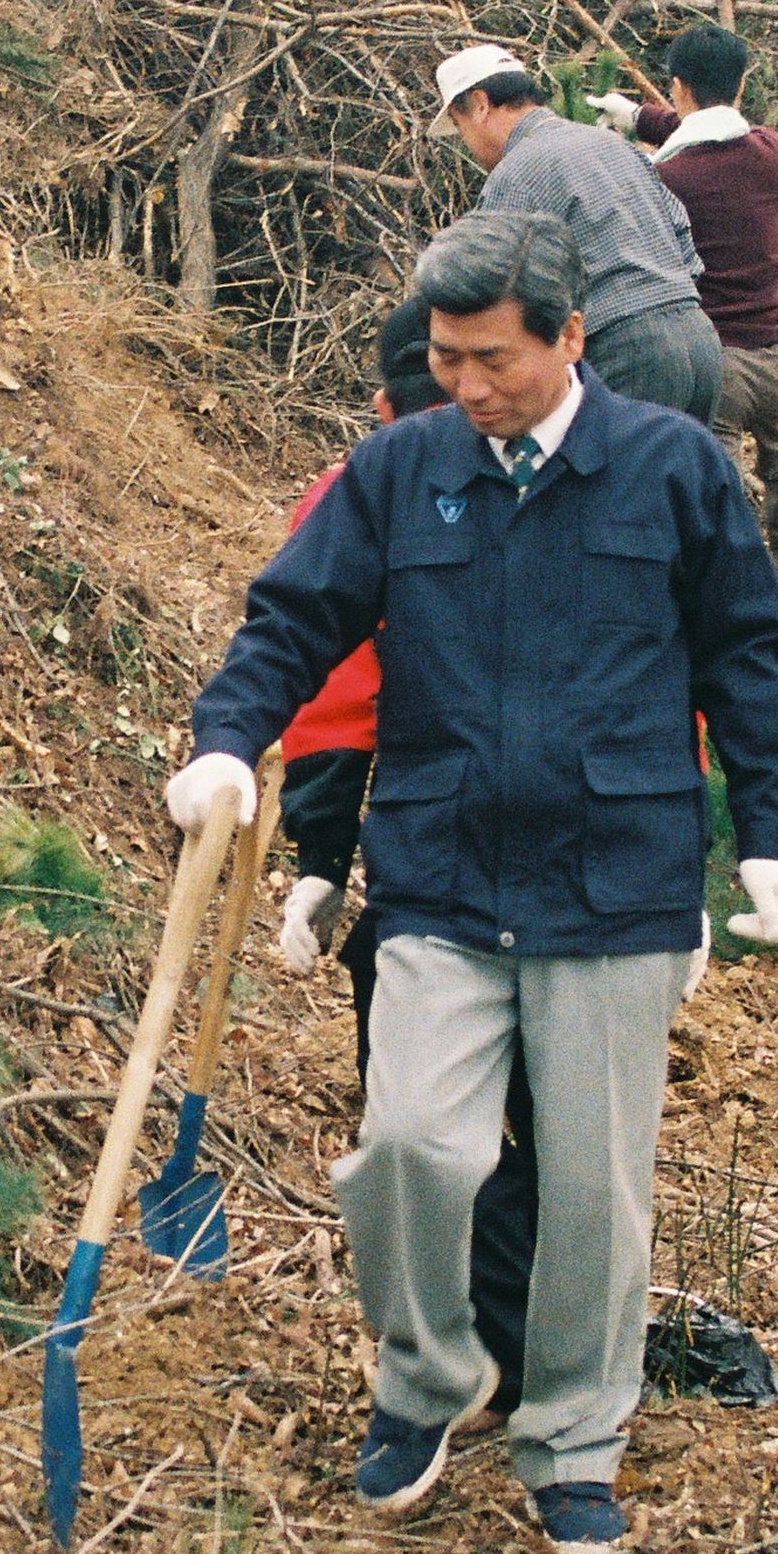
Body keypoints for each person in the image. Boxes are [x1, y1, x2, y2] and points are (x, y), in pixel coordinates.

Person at [175, 209, 778, 1554]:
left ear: (569, 337)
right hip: (442, 877)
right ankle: (426, 1375)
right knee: (411, 1143)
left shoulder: (673, 468)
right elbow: (292, 619)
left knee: (591, 1194)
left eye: (492, 359)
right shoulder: (399, 471)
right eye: (446, 357)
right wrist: (228, 741)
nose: (465, 385)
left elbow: (742, 659)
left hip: (614, 888)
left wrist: (765, 832)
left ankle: (572, 1441)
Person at [270, 289, 540, 1424]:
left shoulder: (361, 487)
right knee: (509, 1134)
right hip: (491, 869)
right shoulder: (585, 468)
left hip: (489, 878)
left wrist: (321, 857)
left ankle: (498, 1361)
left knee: (455, 1128)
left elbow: (333, 700)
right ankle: (502, 1362)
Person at [598, 25, 778, 613]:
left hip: (715, 358)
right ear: (742, 81)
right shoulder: (770, 153)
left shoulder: (667, 180)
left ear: (678, 85)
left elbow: (684, 150)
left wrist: (628, 131)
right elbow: (709, 130)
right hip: (777, 357)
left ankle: (734, 591)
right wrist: (640, 117)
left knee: (719, 479)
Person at [434, 44, 722, 422]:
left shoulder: (516, 173)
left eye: (460, 126)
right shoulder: (616, 147)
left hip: (625, 351)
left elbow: (490, 288)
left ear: (480, 104)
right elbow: (684, 237)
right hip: (700, 341)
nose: (468, 144)